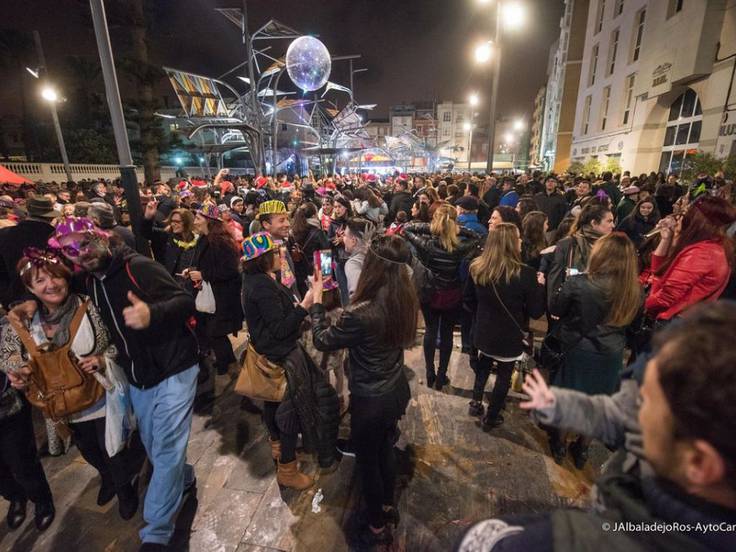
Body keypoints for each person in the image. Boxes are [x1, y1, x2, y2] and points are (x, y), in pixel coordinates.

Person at [459, 301, 736, 552]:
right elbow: (616, 415)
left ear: (698, 463)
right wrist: (557, 405)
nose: (634, 405)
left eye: (646, 400)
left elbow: (475, 542)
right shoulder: (678, 449)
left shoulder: (581, 542)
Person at [50, 217, 199, 551]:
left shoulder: (138, 268)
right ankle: (184, 478)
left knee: (164, 449)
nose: (80, 253)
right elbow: (49, 289)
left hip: (175, 369)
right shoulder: (89, 280)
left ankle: (156, 533)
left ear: (100, 236)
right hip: (137, 377)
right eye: (70, 249)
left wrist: (152, 314)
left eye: (84, 243)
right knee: (155, 444)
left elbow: (184, 301)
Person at [4, 249, 138, 522]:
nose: (50, 284)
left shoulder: (88, 306)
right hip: (61, 405)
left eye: (55, 276)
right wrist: (20, 370)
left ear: (66, 276)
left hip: (101, 396)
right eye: (40, 281)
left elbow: (116, 343)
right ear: (29, 287)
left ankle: (125, 490)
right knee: (89, 451)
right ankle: (108, 479)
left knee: (113, 451)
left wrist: (102, 358)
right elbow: (12, 354)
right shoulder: (27, 320)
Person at [308, 235, 419, 547]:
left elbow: (322, 340)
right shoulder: (404, 296)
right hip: (395, 388)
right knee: (384, 445)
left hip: (371, 399)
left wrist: (317, 302)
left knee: (367, 460)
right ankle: (386, 502)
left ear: (374, 266)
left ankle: (375, 523)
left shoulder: (361, 312)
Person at [547, 233, 641, 467]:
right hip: (611, 354)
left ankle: (559, 445)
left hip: (578, 349)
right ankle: (582, 450)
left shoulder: (579, 283)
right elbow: (635, 328)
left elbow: (556, 307)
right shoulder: (635, 291)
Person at [240, 232, 316, 490]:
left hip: (268, 350)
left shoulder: (255, 279)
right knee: (288, 412)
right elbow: (280, 329)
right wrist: (304, 306)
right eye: (273, 253)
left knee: (272, 402)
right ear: (261, 259)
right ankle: (287, 468)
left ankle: (276, 446)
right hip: (279, 354)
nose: (279, 255)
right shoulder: (261, 286)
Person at [464, 224, 545, 429]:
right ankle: (491, 417)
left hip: (483, 330)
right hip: (509, 335)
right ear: (510, 243)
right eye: (517, 238)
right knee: (503, 374)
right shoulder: (525, 274)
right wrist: (541, 287)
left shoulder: (477, 266)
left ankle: (475, 402)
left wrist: (481, 315)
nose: (520, 241)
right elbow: (536, 312)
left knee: (483, 365)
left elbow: (468, 300)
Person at [403, 204, 481, 389]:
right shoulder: (458, 247)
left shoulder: (427, 245)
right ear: (454, 223)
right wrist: (458, 229)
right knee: (446, 335)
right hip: (452, 293)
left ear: (435, 221)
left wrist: (430, 227)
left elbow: (407, 229)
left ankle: (429, 372)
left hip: (429, 292)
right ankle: (441, 375)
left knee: (430, 331)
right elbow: (477, 237)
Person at [645, 195, 736, 323]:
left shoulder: (703, 254)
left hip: (673, 322)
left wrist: (640, 307)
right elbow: (659, 273)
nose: (679, 219)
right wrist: (666, 239)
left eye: (684, 214)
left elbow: (665, 297)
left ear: (695, 221)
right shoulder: (710, 247)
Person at [187, 204, 243, 376]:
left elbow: (230, 270)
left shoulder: (220, 241)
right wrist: (191, 272)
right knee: (211, 331)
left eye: (197, 218)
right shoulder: (203, 239)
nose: (194, 221)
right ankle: (225, 362)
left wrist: (203, 274)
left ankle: (230, 364)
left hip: (222, 297)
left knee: (215, 332)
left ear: (209, 221)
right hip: (210, 294)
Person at [546, 203, 614, 307]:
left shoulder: (611, 245)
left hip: (601, 303)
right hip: (572, 304)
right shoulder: (568, 244)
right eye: (609, 221)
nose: (613, 225)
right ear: (594, 223)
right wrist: (554, 305)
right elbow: (555, 277)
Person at [0, 197, 59, 309]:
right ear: (51, 216)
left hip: (16, 301)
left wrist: (7, 300)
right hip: (53, 299)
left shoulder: (3, 235)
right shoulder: (57, 237)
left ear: (27, 212)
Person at [141, 202, 198, 287]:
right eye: (172, 221)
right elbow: (146, 232)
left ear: (187, 222)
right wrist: (148, 217)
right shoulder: (165, 236)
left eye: (177, 221)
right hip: (170, 284)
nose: (173, 224)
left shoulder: (197, 240)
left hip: (192, 285)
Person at [258, 200, 300, 298]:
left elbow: (289, 281)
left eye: (287, 219)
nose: (287, 224)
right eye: (281, 220)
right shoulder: (261, 252)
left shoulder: (281, 243)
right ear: (266, 224)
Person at [288, 202, 330, 297]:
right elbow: (326, 259)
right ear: (314, 215)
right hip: (316, 276)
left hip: (299, 276)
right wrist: (326, 281)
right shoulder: (318, 233)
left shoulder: (292, 233)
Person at [328, 196, 353, 305]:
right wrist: (334, 240)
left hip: (353, 261)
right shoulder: (333, 224)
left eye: (339, 207)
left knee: (354, 290)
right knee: (343, 291)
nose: (337, 209)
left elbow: (360, 242)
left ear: (346, 207)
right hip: (339, 261)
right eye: (335, 207)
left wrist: (344, 240)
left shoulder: (353, 222)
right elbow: (328, 242)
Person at [343, 217, 375, 298]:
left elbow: (357, 295)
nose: (343, 238)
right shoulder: (376, 257)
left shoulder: (353, 263)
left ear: (353, 241)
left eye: (344, 235)